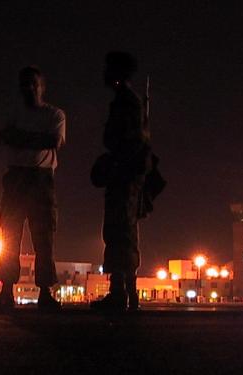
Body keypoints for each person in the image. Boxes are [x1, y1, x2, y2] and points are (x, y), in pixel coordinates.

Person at [0, 66, 66, 312]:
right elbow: (8, 137)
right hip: (18, 178)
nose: (29, 88)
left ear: (42, 86)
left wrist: (20, 138)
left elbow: (53, 141)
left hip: (40, 179)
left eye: (33, 83)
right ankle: (7, 291)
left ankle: (44, 292)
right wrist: (36, 139)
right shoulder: (18, 114)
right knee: (10, 236)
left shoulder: (55, 114)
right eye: (25, 84)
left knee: (44, 238)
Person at [90, 51, 151, 312]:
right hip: (126, 173)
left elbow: (131, 141)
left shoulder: (127, 102)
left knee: (119, 231)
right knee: (123, 231)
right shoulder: (126, 100)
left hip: (125, 175)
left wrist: (115, 165)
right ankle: (127, 293)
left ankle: (120, 294)